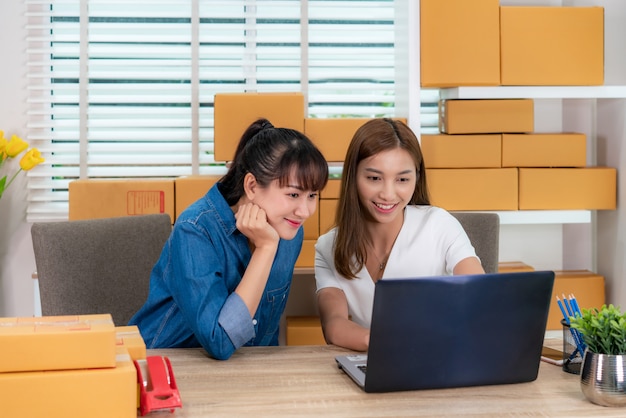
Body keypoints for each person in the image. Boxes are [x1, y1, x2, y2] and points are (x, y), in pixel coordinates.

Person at [130, 118, 328, 360]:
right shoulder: (194, 230)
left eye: (312, 196)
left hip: (239, 374)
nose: (305, 211)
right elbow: (220, 341)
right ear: (252, 186)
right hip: (165, 366)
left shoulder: (288, 229)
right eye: (294, 194)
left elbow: (265, 333)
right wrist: (265, 249)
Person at [314, 118, 484, 352]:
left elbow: (480, 298)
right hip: (374, 364)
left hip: (440, 357)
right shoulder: (328, 247)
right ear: (353, 177)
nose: (388, 193)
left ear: (416, 178)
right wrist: (388, 343)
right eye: (374, 178)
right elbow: (333, 325)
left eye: (402, 179)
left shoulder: (439, 224)